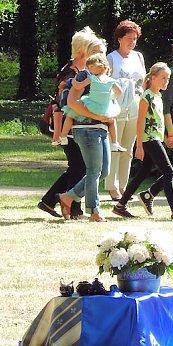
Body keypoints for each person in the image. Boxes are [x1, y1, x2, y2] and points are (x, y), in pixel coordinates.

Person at [117, 39, 173, 220]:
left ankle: (120, 205)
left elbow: (158, 120)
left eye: (168, 79)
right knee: (169, 171)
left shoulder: (157, 96)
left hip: (156, 137)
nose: (166, 82)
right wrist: (138, 145)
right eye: (163, 78)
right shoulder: (146, 97)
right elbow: (140, 122)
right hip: (148, 139)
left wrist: (166, 135)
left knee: (143, 172)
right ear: (152, 78)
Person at [38, 27, 105, 220]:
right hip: (69, 125)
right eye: (95, 50)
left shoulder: (82, 71)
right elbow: (63, 104)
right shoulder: (70, 73)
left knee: (79, 166)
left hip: (77, 125)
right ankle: (71, 208)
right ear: (84, 50)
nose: (99, 55)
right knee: (80, 166)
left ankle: (52, 200)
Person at [56, 38, 114, 223]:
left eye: (103, 52)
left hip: (101, 127)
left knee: (103, 172)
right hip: (85, 128)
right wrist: (98, 117)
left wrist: (112, 112)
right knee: (94, 170)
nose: (100, 56)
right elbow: (72, 103)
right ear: (87, 55)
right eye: (95, 52)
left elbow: (112, 101)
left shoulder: (105, 77)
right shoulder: (82, 76)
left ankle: (67, 197)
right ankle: (94, 211)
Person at [105, 20, 147, 201]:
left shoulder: (138, 57)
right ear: (120, 38)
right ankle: (112, 186)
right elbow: (105, 83)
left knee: (128, 148)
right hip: (117, 105)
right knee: (115, 146)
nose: (132, 42)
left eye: (135, 39)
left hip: (136, 104)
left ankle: (123, 186)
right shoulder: (111, 58)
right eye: (129, 38)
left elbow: (144, 82)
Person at [57, 53, 126, 152]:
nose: (89, 70)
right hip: (105, 107)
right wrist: (109, 97)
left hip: (92, 105)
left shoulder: (92, 78)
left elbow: (78, 86)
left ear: (100, 66)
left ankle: (63, 136)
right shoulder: (111, 80)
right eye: (88, 67)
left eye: (91, 67)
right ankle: (115, 142)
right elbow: (120, 92)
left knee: (70, 115)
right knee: (112, 121)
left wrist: (72, 81)